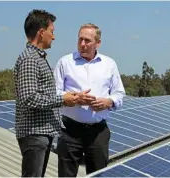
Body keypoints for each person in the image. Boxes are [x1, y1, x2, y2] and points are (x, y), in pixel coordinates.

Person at [13, 9, 82, 177]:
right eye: (52, 32)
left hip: (40, 134)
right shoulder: (30, 59)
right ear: (41, 32)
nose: (54, 36)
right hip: (34, 133)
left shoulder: (37, 58)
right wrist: (62, 100)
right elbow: (29, 98)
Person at [54, 23, 126, 176]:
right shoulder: (65, 63)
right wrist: (74, 98)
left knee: (97, 174)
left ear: (97, 43)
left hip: (97, 132)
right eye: (80, 39)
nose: (82, 44)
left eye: (87, 41)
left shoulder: (109, 64)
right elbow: (54, 93)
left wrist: (108, 102)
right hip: (70, 131)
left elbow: (119, 94)